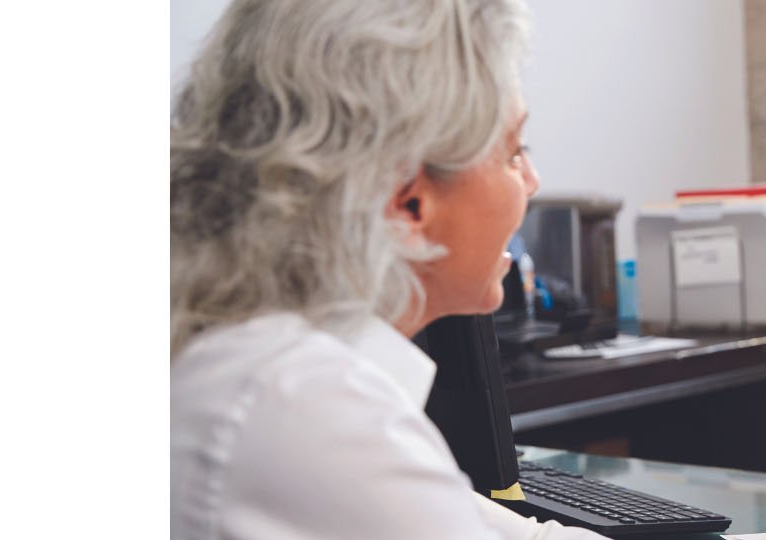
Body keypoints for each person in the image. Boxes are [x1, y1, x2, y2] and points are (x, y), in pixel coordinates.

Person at [169, 0, 602, 538]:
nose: (532, 181)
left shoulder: (265, 367)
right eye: (515, 152)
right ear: (408, 202)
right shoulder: (310, 413)